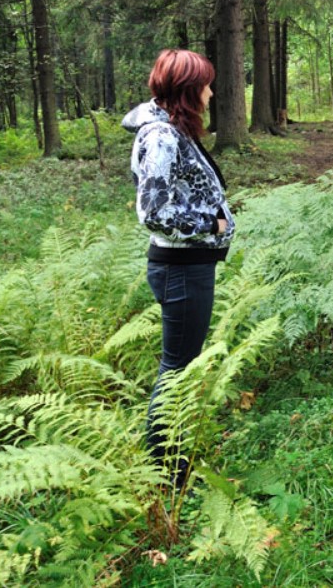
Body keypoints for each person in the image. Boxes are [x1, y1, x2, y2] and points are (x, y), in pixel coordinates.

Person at [122, 49, 235, 486]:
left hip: (188, 265)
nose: (211, 92)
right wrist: (212, 223)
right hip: (181, 269)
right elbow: (154, 212)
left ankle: (171, 458)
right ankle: (167, 470)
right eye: (205, 84)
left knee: (179, 365)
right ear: (189, 92)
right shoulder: (163, 138)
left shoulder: (174, 129)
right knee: (176, 369)